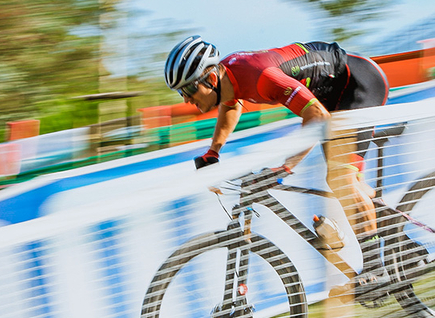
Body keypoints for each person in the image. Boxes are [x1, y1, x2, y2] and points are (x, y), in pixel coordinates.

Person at [164, 35, 390, 298]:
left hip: (357, 84)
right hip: (329, 95)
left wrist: (286, 167)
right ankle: (395, 238)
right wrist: (213, 152)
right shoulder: (229, 78)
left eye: (188, 90)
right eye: (181, 92)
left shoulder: (260, 76)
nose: (186, 99)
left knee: (341, 178)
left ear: (211, 79)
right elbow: (231, 104)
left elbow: (316, 116)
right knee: (345, 181)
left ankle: (377, 269)